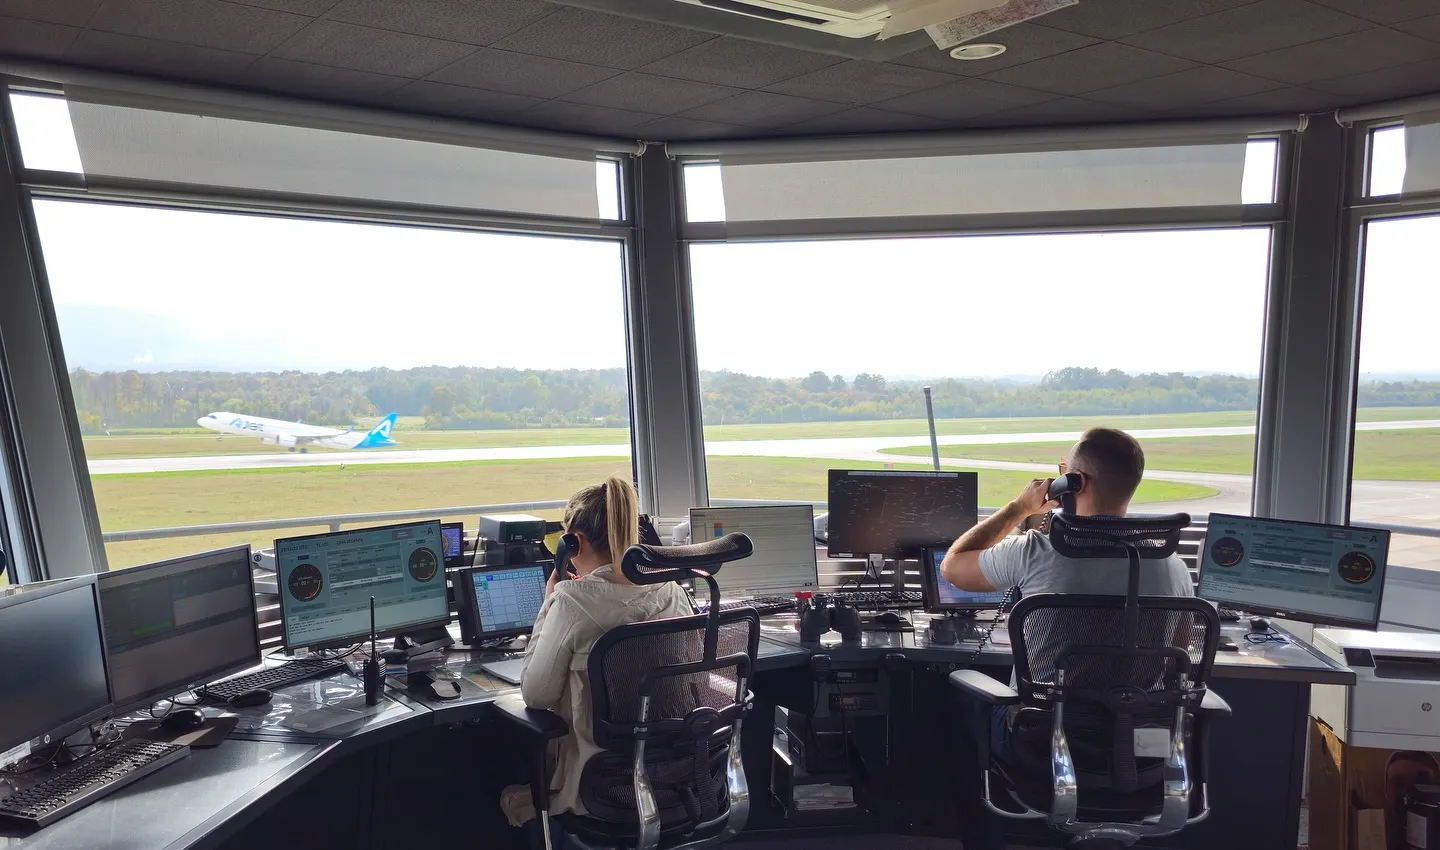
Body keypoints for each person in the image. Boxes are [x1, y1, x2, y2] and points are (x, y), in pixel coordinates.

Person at [937, 427, 1194, 850]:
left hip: (1044, 741)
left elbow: (952, 567)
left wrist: (1019, 508)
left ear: (1076, 483)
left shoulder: (1033, 551)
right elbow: (1177, 660)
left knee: (956, 704)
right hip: (1144, 745)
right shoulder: (1174, 567)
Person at [499, 476, 693, 846]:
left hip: (599, 786)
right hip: (676, 777)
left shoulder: (572, 601)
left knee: (508, 785)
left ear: (575, 542)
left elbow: (536, 695)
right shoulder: (671, 591)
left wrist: (550, 602)